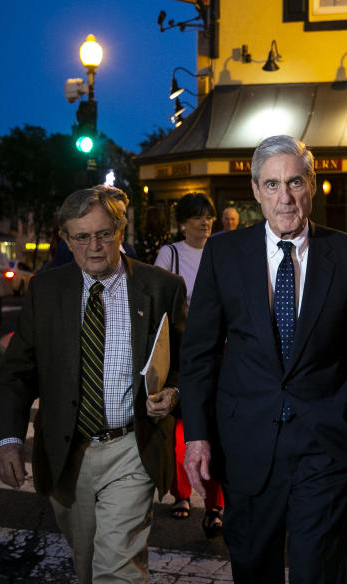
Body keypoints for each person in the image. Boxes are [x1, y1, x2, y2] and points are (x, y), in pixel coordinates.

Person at [180, 135, 347, 584]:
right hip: (247, 443)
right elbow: (199, 354)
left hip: (326, 446)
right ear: (255, 190)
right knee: (253, 569)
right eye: (271, 185)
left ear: (311, 184)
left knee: (318, 572)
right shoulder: (224, 253)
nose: (284, 198)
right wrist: (197, 435)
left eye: (294, 183)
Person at [0, 185, 186, 584]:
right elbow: (17, 372)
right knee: (87, 565)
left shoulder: (161, 287)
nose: (94, 246)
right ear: (66, 239)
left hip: (133, 446)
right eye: (82, 237)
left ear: (121, 230)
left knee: (117, 570)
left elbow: (187, 364)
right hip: (69, 452)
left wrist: (174, 393)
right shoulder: (45, 291)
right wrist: (7, 438)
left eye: (104, 233)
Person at [153, 192, 225, 537]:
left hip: (221, 349)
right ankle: (180, 493)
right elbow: (154, 299)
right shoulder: (170, 254)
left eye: (208, 215)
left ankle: (215, 504)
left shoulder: (222, 250)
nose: (204, 221)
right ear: (183, 222)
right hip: (183, 348)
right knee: (182, 427)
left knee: (216, 426)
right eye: (197, 216)